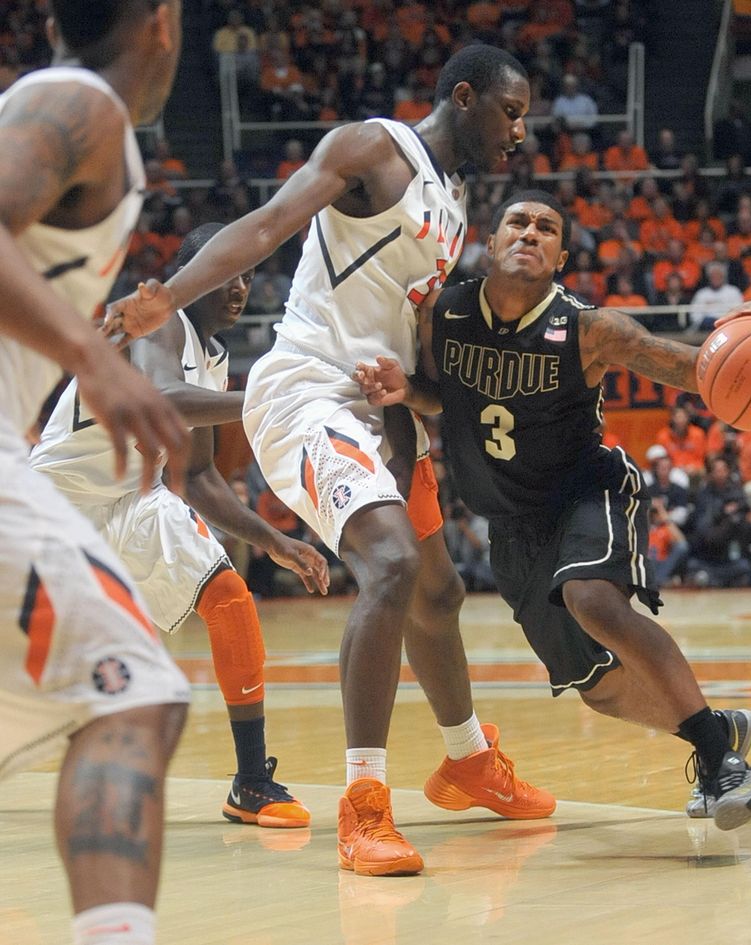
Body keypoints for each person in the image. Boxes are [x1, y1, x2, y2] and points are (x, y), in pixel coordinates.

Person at [103, 44, 554, 878]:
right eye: (511, 111)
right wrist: (167, 292)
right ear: (464, 96)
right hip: (308, 390)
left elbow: (412, 332)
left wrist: (423, 398)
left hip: (379, 409)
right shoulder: (373, 148)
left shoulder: (454, 202)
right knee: (386, 566)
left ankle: (464, 760)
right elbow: (267, 224)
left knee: (438, 590)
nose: (521, 130)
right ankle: (365, 804)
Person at [354, 190, 751, 829]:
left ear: (560, 256)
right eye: (518, 223)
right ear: (492, 242)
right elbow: (446, 396)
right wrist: (408, 390)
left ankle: (722, 762)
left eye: (547, 228)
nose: (530, 232)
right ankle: (713, 729)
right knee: (601, 690)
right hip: (510, 526)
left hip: (585, 492)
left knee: (592, 599)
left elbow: (699, 371)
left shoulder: (591, 329)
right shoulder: (446, 312)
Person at [31, 222, 330, 829]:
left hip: (129, 499)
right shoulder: (160, 324)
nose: (239, 286)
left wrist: (275, 541)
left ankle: (251, 782)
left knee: (228, 596)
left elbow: (195, 479)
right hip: (53, 502)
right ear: (191, 279)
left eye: (246, 275)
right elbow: (164, 400)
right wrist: (267, 403)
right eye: (225, 273)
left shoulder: (213, 359)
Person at [0, 3, 192, 944]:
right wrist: (93, 354)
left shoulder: (61, 108)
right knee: (135, 691)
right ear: (162, 20)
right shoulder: (83, 106)